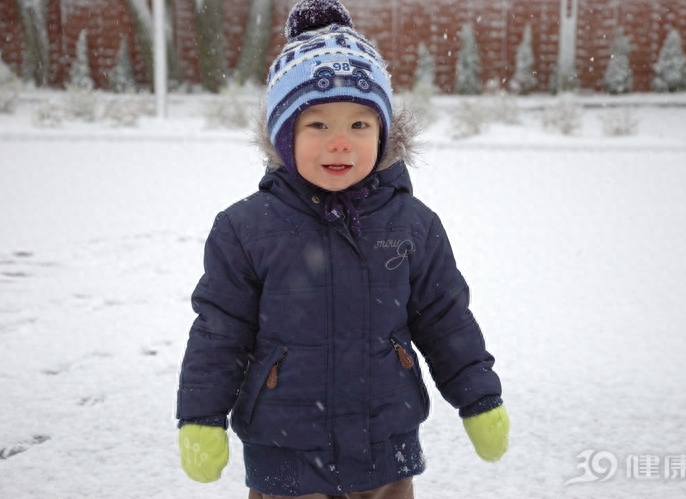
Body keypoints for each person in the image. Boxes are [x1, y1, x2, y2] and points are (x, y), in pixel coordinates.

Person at [176, 0, 509, 497]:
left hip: (385, 447)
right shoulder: (245, 228)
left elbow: (446, 319)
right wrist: (201, 418)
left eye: (359, 124)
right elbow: (220, 331)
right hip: (286, 453)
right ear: (284, 136)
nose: (340, 143)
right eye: (318, 125)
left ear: (382, 133)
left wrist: (479, 399)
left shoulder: (414, 226)